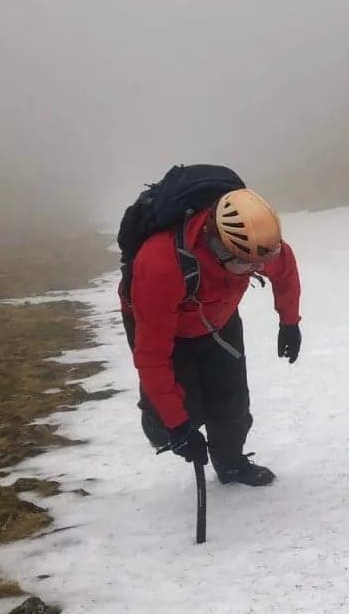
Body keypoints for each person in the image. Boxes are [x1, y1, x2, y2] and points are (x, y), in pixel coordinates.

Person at [122, 186, 302, 485]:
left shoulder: (256, 242)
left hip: (219, 319)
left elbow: (285, 273)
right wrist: (179, 428)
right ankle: (160, 424)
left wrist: (289, 322)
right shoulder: (161, 265)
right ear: (219, 247)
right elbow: (152, 358)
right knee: (181, 410)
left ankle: (230, 463)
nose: (259, 269)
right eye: (248, 264)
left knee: (232, 402)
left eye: (262, 262)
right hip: (164, 326)